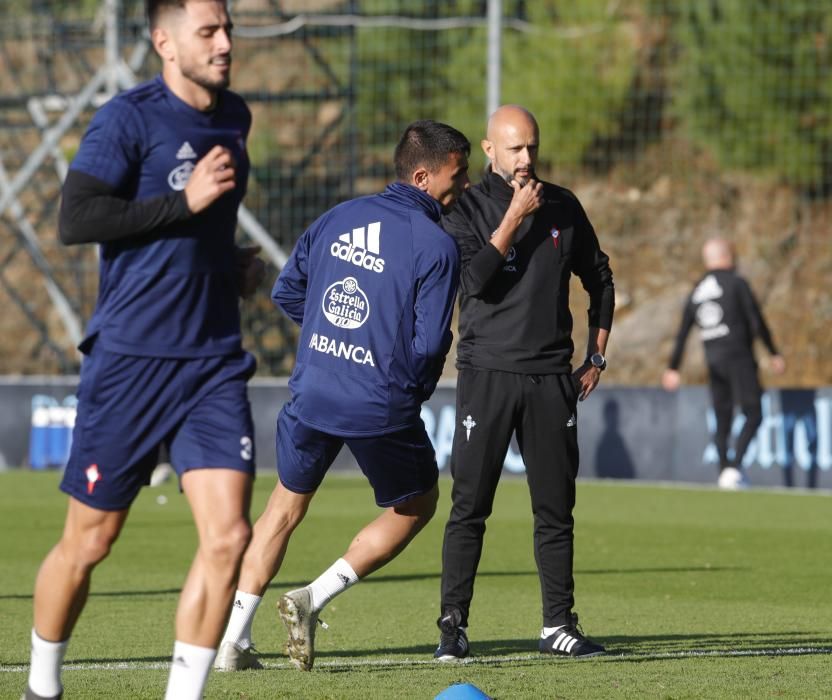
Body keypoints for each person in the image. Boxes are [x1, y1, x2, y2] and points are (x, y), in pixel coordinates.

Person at [23, 2, 264, 699]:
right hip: (130, 359)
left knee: (229, 538)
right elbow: (78, 218)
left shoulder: (234, 116)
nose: (224, 44)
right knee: (90, 543)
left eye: (227, 30)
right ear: (164, 42)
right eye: (208, 33)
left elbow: (202, 229)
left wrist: (229, 264)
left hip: (214, 360)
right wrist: (182, 205)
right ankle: (42, 687)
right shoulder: (127, 118)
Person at [214, 120, 471, 672]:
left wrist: (336, 342)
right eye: (459, 172)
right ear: (424, 176)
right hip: (379, 401)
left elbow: (287, 290)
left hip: (312, 391)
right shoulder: (436, 245)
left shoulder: (340, 216)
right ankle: (314, 596)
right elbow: (428, 345)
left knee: (282, 510)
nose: (466, 184)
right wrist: (406, 382)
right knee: (417, 505)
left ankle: (233, 641)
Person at [434, 104, 614, 661]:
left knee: (556, 510)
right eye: (514, 148)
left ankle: (558, 624)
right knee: (470, 507)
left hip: (549, 379)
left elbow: (601, 280)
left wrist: (596, 357)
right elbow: (473, 283)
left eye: (532, 146)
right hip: (487, 376)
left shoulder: (563, 204)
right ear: (490, 150)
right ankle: (452, 626)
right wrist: (512, 217)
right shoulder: (465, 206)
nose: (526, 158)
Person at [662, 237, 785, 487]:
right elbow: (756, 320)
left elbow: (683, 332)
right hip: (739, 358)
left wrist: (673, 368)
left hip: (714, 362)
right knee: (753, 412)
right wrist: (773, 352)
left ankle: (723, 470)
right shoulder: (737, 284)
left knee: (723, 415)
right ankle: (734, 467)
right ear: (728, 256)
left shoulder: (697, 291)